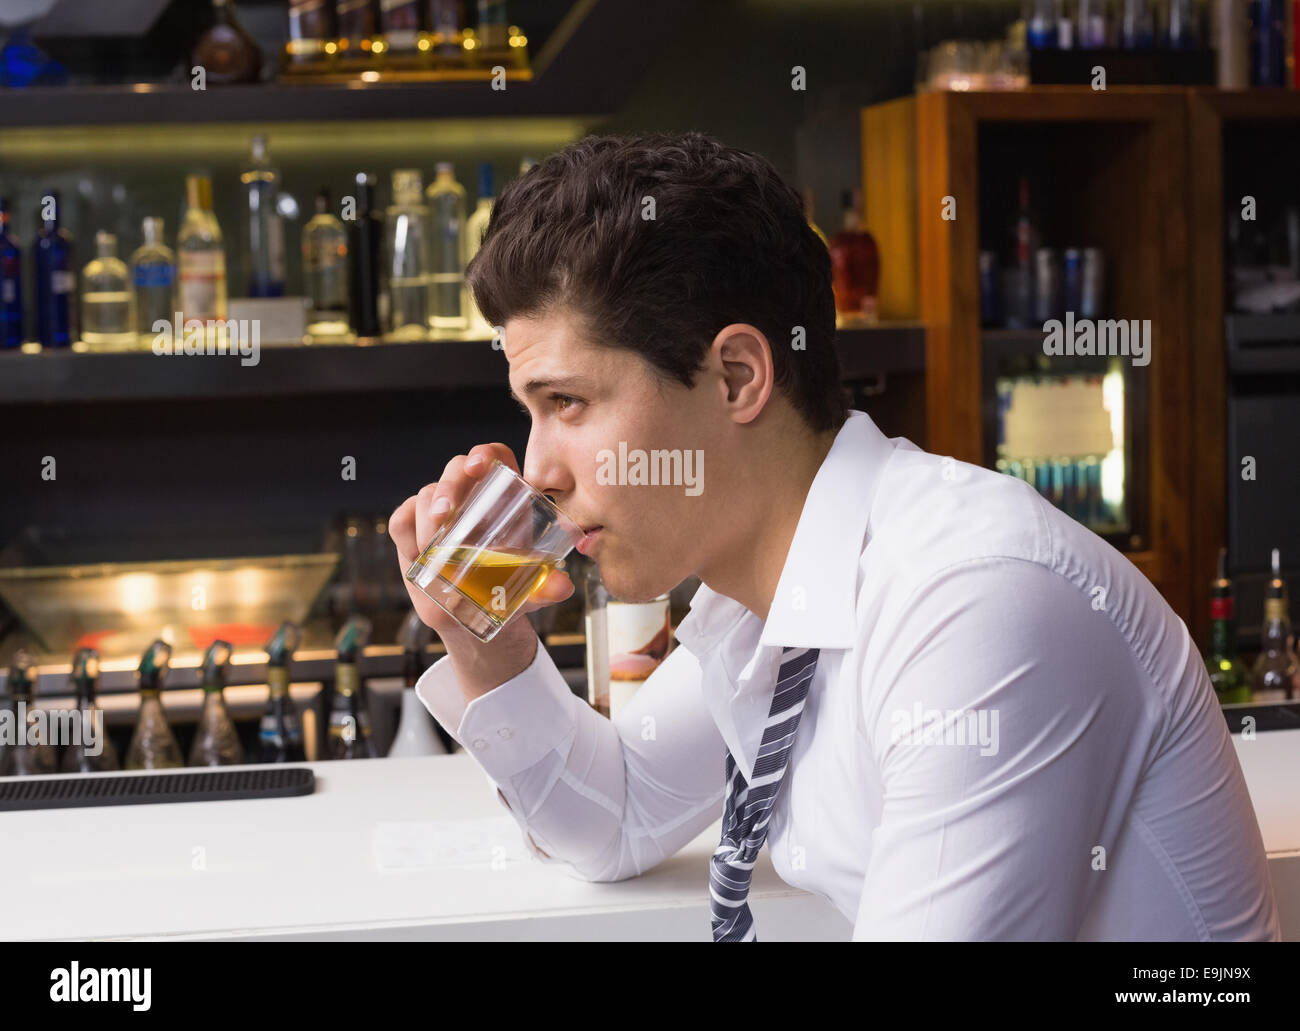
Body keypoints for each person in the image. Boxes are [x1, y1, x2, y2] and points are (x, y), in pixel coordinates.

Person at [388, 131, 1280, 942]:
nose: (536, 468)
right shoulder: (765, 597)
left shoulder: (973, 599)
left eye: (568, 404)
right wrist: (485, 640)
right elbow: (615, 817)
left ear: (737, 376)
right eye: (530, 412)